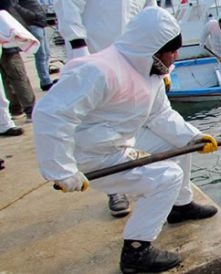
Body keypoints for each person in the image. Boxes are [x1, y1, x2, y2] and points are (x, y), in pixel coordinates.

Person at [32, 7, 219, 273]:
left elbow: (160, 114)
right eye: (171, 50)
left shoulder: (150, 71)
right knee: (167, 176)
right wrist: (61, 170)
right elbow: (52, 114)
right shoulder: (98, 70)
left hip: (117, 143)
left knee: (180, 146)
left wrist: (194, 137)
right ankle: (136, 252)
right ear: (152, 49)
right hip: (90, 156)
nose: (175, 56)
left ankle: (180, 206)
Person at [54, 0, 157, 216]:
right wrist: (80, 50)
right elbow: (68, 6)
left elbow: (151, 10)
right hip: (97, 53)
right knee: (103, 128)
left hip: (136, 56)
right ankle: (114, 190)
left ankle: (175, 198)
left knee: (145, 117)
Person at [54, 0, 157, 59]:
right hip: (92, 54)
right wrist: (81, 52)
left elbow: (151, 15)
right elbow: (68, 12)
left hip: (131, 58)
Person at [0, 0, 37, 119]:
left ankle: (29, 109)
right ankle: (17, 108)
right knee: (8, 77)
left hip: (7, 40)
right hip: (7, 40)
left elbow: (7, 8)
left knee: (16, 74)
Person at [18, 0, 55, 91]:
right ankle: (45, 81)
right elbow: (16, 7)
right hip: (34, 24)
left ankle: (46, 79)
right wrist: (33, 16)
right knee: (41, 55)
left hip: (40, 23)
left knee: (46, 53)